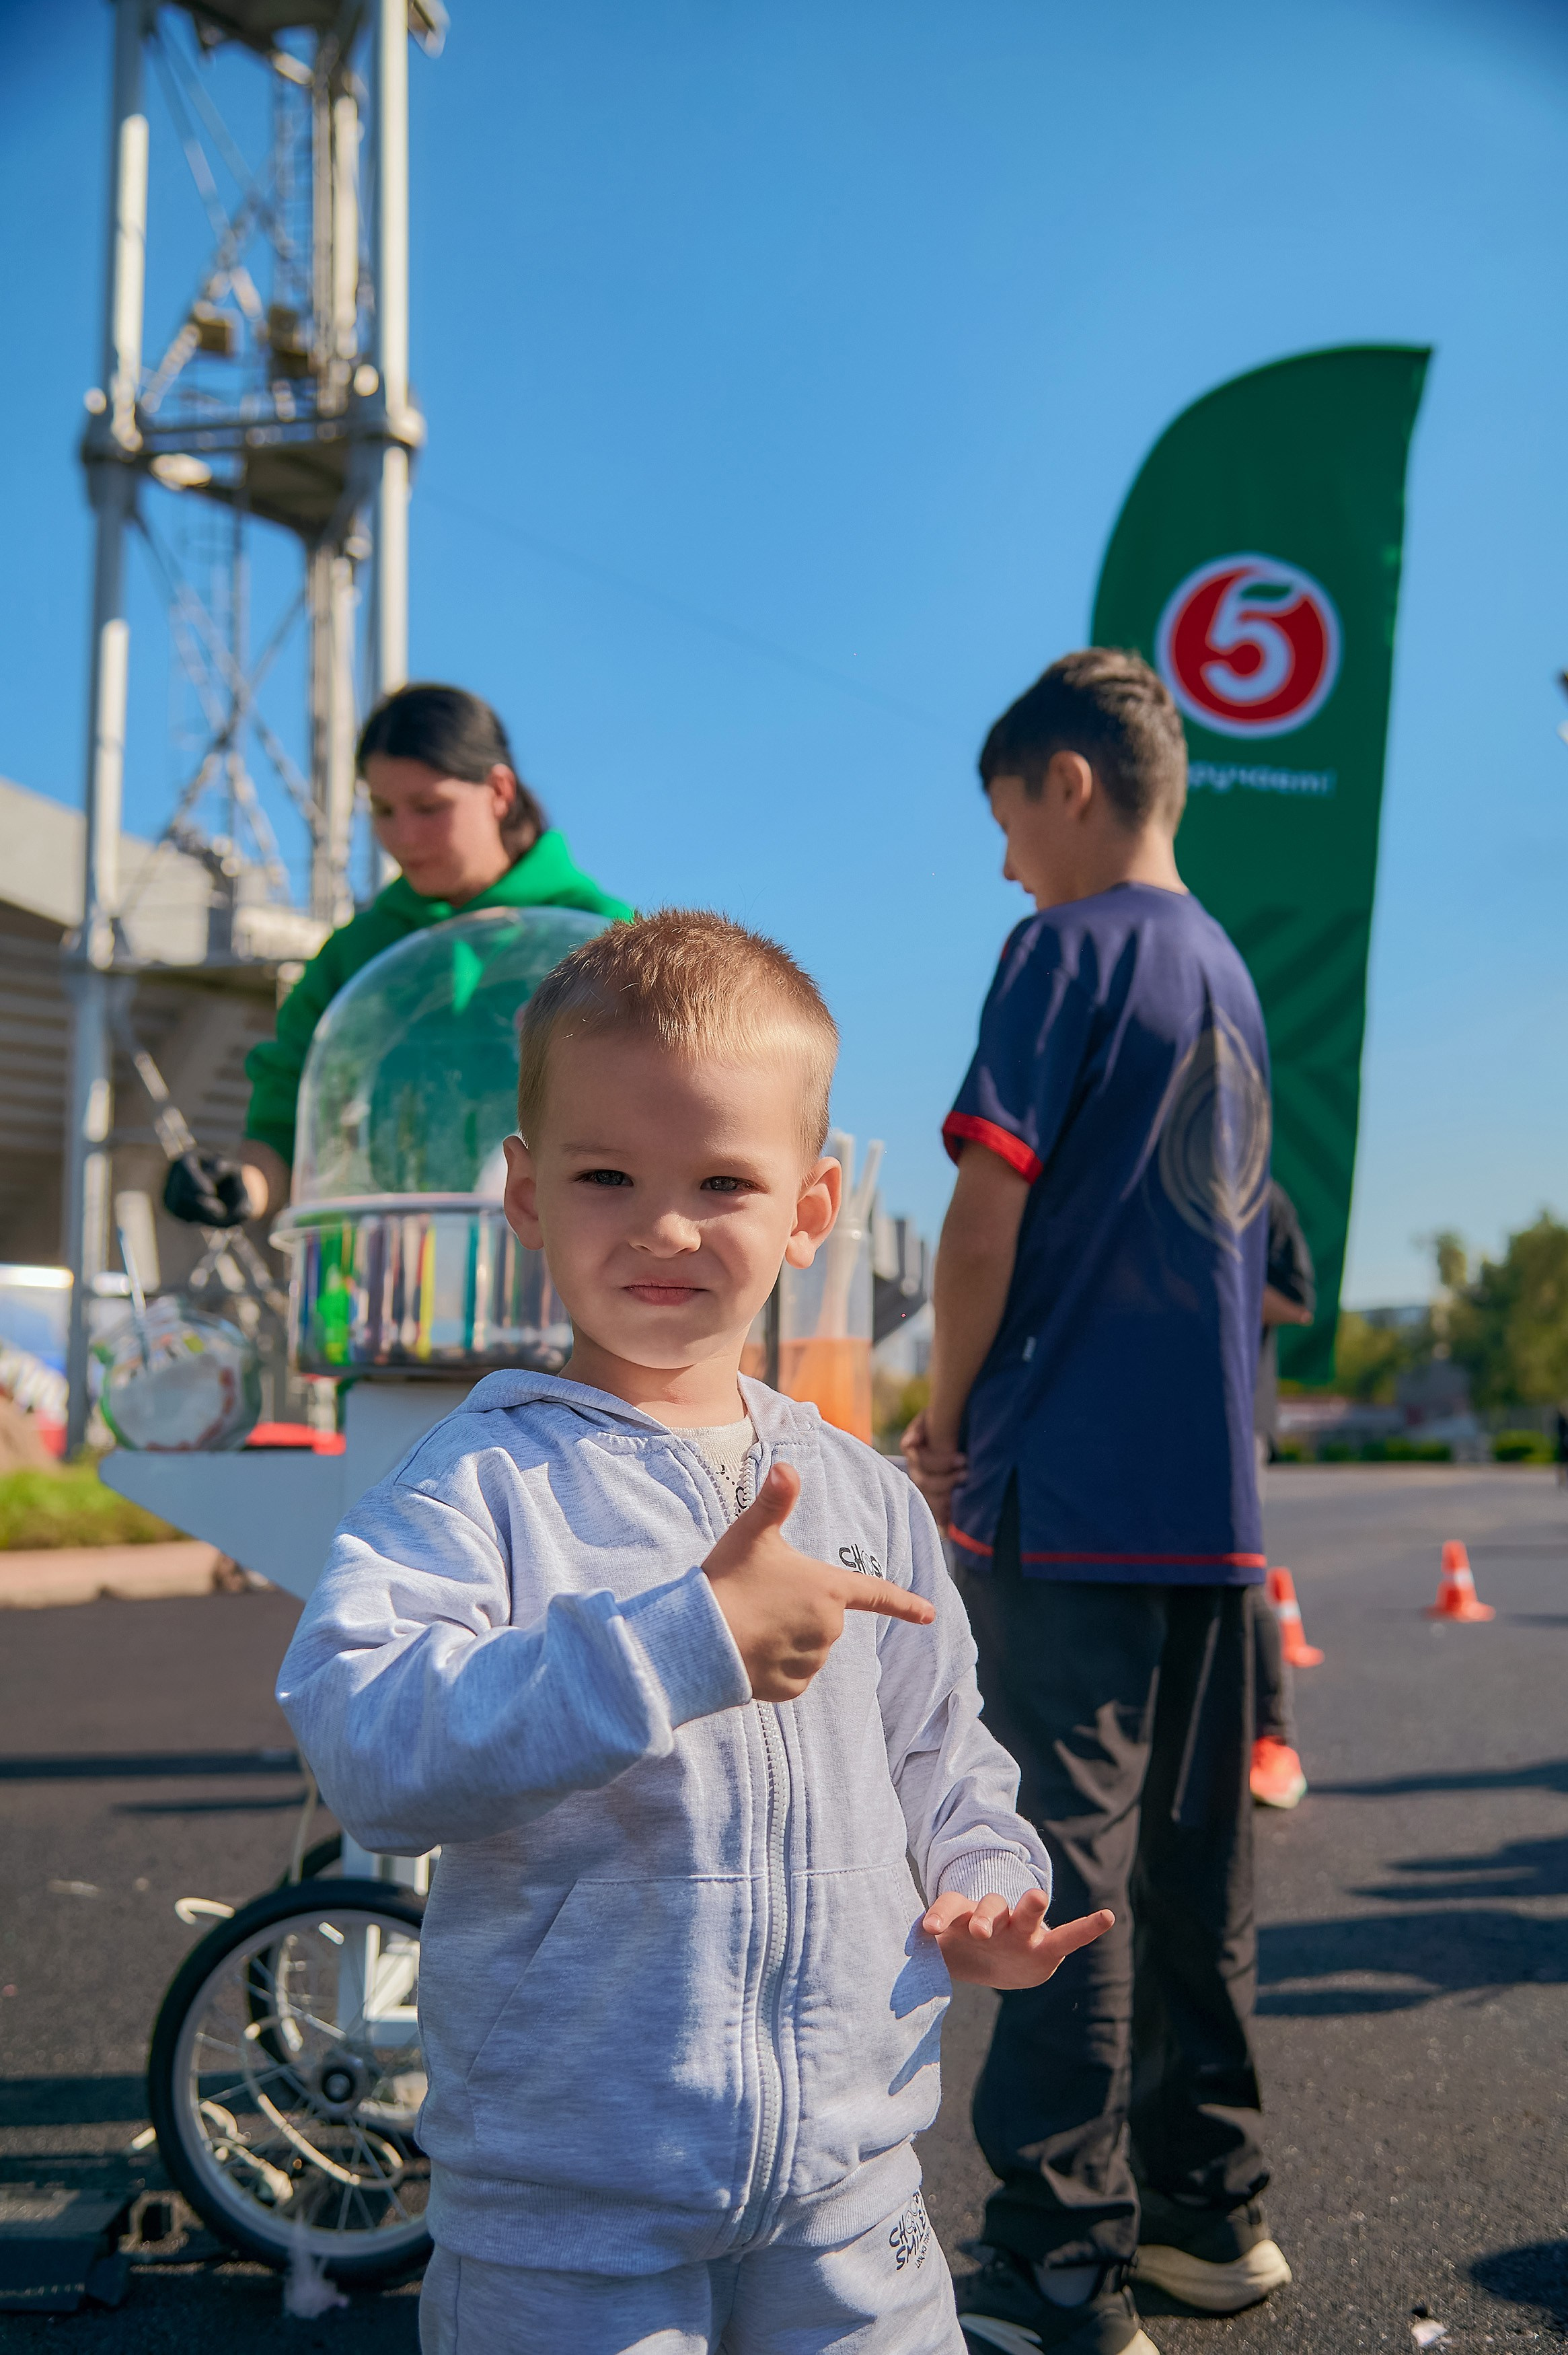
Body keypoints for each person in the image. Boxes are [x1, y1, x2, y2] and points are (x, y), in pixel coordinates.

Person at [276, 910, 1113, 2355]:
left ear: (810, 1206)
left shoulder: (859, 1492)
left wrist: (985, 1874)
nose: (663, 1225)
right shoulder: (484, 1481)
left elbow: (940, 1746)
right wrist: (680, 1641)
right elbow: (369, 1740)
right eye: (607, 1175)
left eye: (723, 1179)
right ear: (527, 1194)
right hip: (564, 2224)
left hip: (853, 2202)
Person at [901, 651, 1291, 2355]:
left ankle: (1057, 2269)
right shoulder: (1231, 975)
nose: (1005, 863)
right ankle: (1212, 2220)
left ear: (1069, 783)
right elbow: (1265, 1281)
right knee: (1199, 1872)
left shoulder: (1063, 952)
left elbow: (986, 1215)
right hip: (1217, 1505)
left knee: (1055, 1873)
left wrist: (941, 1413)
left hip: (1073, 1486)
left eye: (1006, 820)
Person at [176, 684, 632, 1225]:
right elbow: (290, 1107)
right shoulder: (357, 952)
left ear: (499, 791)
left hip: (549, 1270)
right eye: (383, 809)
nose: (404, 835)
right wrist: (240, 1187)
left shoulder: (603, 939)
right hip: (384, 1271)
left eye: (428, 806)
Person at [1250, 1182, 1315, 1811]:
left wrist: (1208, 1278)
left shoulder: (1263, 1196)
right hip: (1140, 1422)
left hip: (1232, 1419)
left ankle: (1273, 1739)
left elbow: (1297, 1303)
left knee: (1237, 1579)